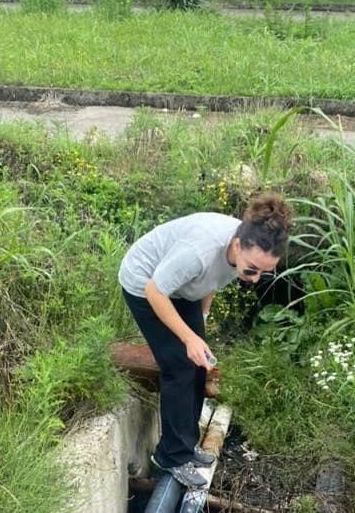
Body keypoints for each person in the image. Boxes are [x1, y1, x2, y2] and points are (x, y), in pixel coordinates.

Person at [119, 193, 293, 488]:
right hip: (145, 285)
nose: (254, 278)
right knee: (180, 366)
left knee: (201, 363)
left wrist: (201, 324)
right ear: (236, 245)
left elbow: (211, 280)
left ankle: (186, 446)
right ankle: (170, 457)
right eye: (251, 269)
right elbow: (155, 291)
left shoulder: (244, 252)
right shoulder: (200, 250)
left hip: (181, 288)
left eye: (264, 273)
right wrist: (188, 338)